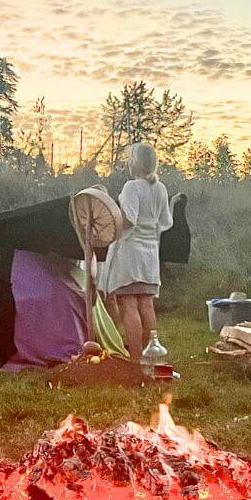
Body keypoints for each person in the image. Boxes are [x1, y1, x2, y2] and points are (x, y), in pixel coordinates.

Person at [99, 141, 173, 362]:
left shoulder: (132, 187)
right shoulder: (160, 188)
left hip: (130, 253)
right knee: (147, 305)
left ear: (136, 163)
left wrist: (109, 226)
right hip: (150, 253)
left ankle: (134, 360)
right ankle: (150, 356)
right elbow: (165, 221)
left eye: (130, 158)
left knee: (129, 304)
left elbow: (128, 220)